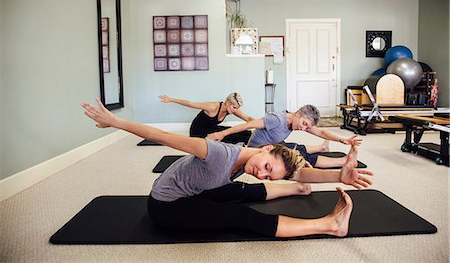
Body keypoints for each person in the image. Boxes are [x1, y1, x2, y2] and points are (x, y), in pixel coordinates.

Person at [81, 97, 373, 238]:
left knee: (241, 188)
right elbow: (164, 137)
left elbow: (301, 169)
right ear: (266, 147)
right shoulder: (217, 154)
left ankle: (293, 190)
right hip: (167, 205)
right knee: (238, 214)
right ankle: (329, 225)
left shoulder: (252, 157)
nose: (263, 173)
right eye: (267, 166)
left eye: (271, 176)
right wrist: (116, 122)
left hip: (198, 190)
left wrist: (339, 176)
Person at [207, 105, 362, 169]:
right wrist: (221, 133)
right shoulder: (276, 119)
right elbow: (249, 125)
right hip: (259, 150)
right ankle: (344, 161)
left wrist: (342, 140)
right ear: (298, 114)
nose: (303, 128)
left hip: (274, 145)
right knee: (298, 156)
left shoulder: (294, 122)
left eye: (307, 126)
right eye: (304, 123)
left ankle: (322, 147)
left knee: (295, 146)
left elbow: (320, 132)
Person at [159, 93, 253, 144]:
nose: (235, 110)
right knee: (226, 139)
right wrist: (170, 99)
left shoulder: (231, 109)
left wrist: (262, 124)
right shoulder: (212, 107)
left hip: (211, 129)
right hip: (198, 132)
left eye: (237, 108)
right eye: (234, 107)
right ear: (228, 103)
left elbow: (248, 118)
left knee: (239, 133)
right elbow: (190, 103)